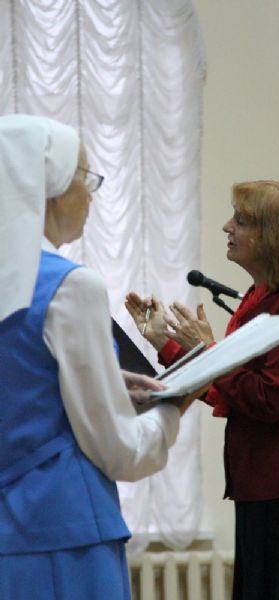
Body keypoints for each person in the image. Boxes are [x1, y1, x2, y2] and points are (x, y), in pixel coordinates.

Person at [0, 114, 194, 600]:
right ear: (50, 188)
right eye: (84, 177)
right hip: (63, 535)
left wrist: (106, 379)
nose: (91, 194)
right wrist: (174, 406)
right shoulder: (70, 286)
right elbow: (118, 449)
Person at [126, 180, 279, 600]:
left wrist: (210, 350)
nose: (227, 226)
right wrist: (165, 344)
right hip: (260, 484)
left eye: (241, 220)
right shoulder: (259, 299)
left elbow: (268, 400)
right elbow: (226, 392)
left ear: (273, 235)